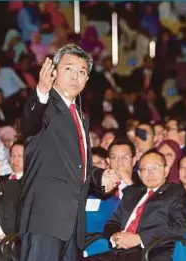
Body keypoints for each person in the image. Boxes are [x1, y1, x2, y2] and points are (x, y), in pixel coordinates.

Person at [20, 44, 119, 261]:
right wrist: (41, 92)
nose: (76, 76)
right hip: (46, 219)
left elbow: (76, 165)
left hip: (72, 223)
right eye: (69, 69)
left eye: (82, 72)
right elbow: (28, 124)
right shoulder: (46, 106)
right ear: (54, 72)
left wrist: (99, 176)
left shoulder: (80, 116)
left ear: (86, 80)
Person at [85, 150, 186, 261]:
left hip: (150, 252)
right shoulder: (131, 193)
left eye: (155, 167)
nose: (150, 173)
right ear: (139, 174)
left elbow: (180, 226)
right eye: (145, 169)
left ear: (166, 170)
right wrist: (114, 236)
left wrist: (140, 239)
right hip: (118, 251)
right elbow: (112, 222)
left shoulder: (175, 192)